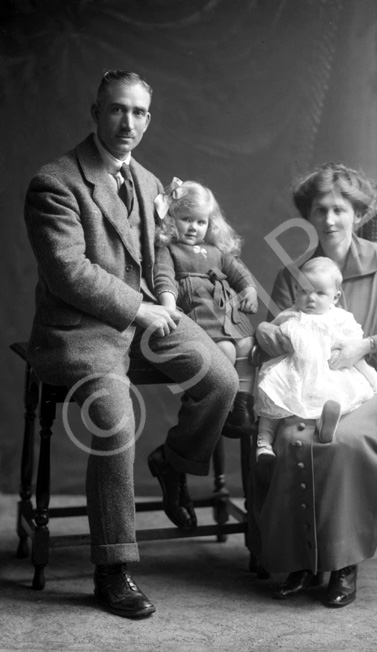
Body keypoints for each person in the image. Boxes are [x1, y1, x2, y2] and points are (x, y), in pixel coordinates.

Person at [23, 70, 238, 619]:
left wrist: (162, 298)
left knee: (221, 379)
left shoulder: (144, 179)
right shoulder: (56, 181)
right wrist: (140, 308)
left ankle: (174, 462)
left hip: (144, 320)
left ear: (149, 118)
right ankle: (112, 568)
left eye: (140, 113)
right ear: (95, 112)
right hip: (83, 329)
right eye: (118, 110)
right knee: (117, 422)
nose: (129, 122)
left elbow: (156, 256)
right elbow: (69, 272)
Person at [251, 162, 377, 607]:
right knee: (293, 437)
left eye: (339, 210)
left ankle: (342, 564)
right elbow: (279, 336)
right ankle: (301, 561)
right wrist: (265, 338)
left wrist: (367, 346)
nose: (329, 220)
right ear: (308, 215)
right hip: (308, 388)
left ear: (359, 213)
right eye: (319, 210)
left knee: (344, 442)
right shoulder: (295, 274)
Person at [153, 178, 258, 436]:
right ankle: (219, 405)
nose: (193, 228)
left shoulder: (216, 252)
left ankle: (241, 407)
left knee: (247, 346)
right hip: (200, 314)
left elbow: (239, 272)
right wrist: (168, 302)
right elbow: (164, 276)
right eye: (186, 219)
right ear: (171, 220)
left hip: (227, 312)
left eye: (201, 222)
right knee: (225, 352)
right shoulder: (170, 251)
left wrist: (250, 290)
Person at [254, 256, 377, 463]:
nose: (310, 298)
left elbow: (354, 347)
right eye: (304, 291)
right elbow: (272, 338)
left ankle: (325, 426)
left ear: (335, 297)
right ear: (296, 290)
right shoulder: (289, 315)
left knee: (333, 398)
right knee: (271, 394)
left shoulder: (340, 319)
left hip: (328, 371)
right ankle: (264, 444)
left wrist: (369, 375)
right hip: (294, 370)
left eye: (320, 293)